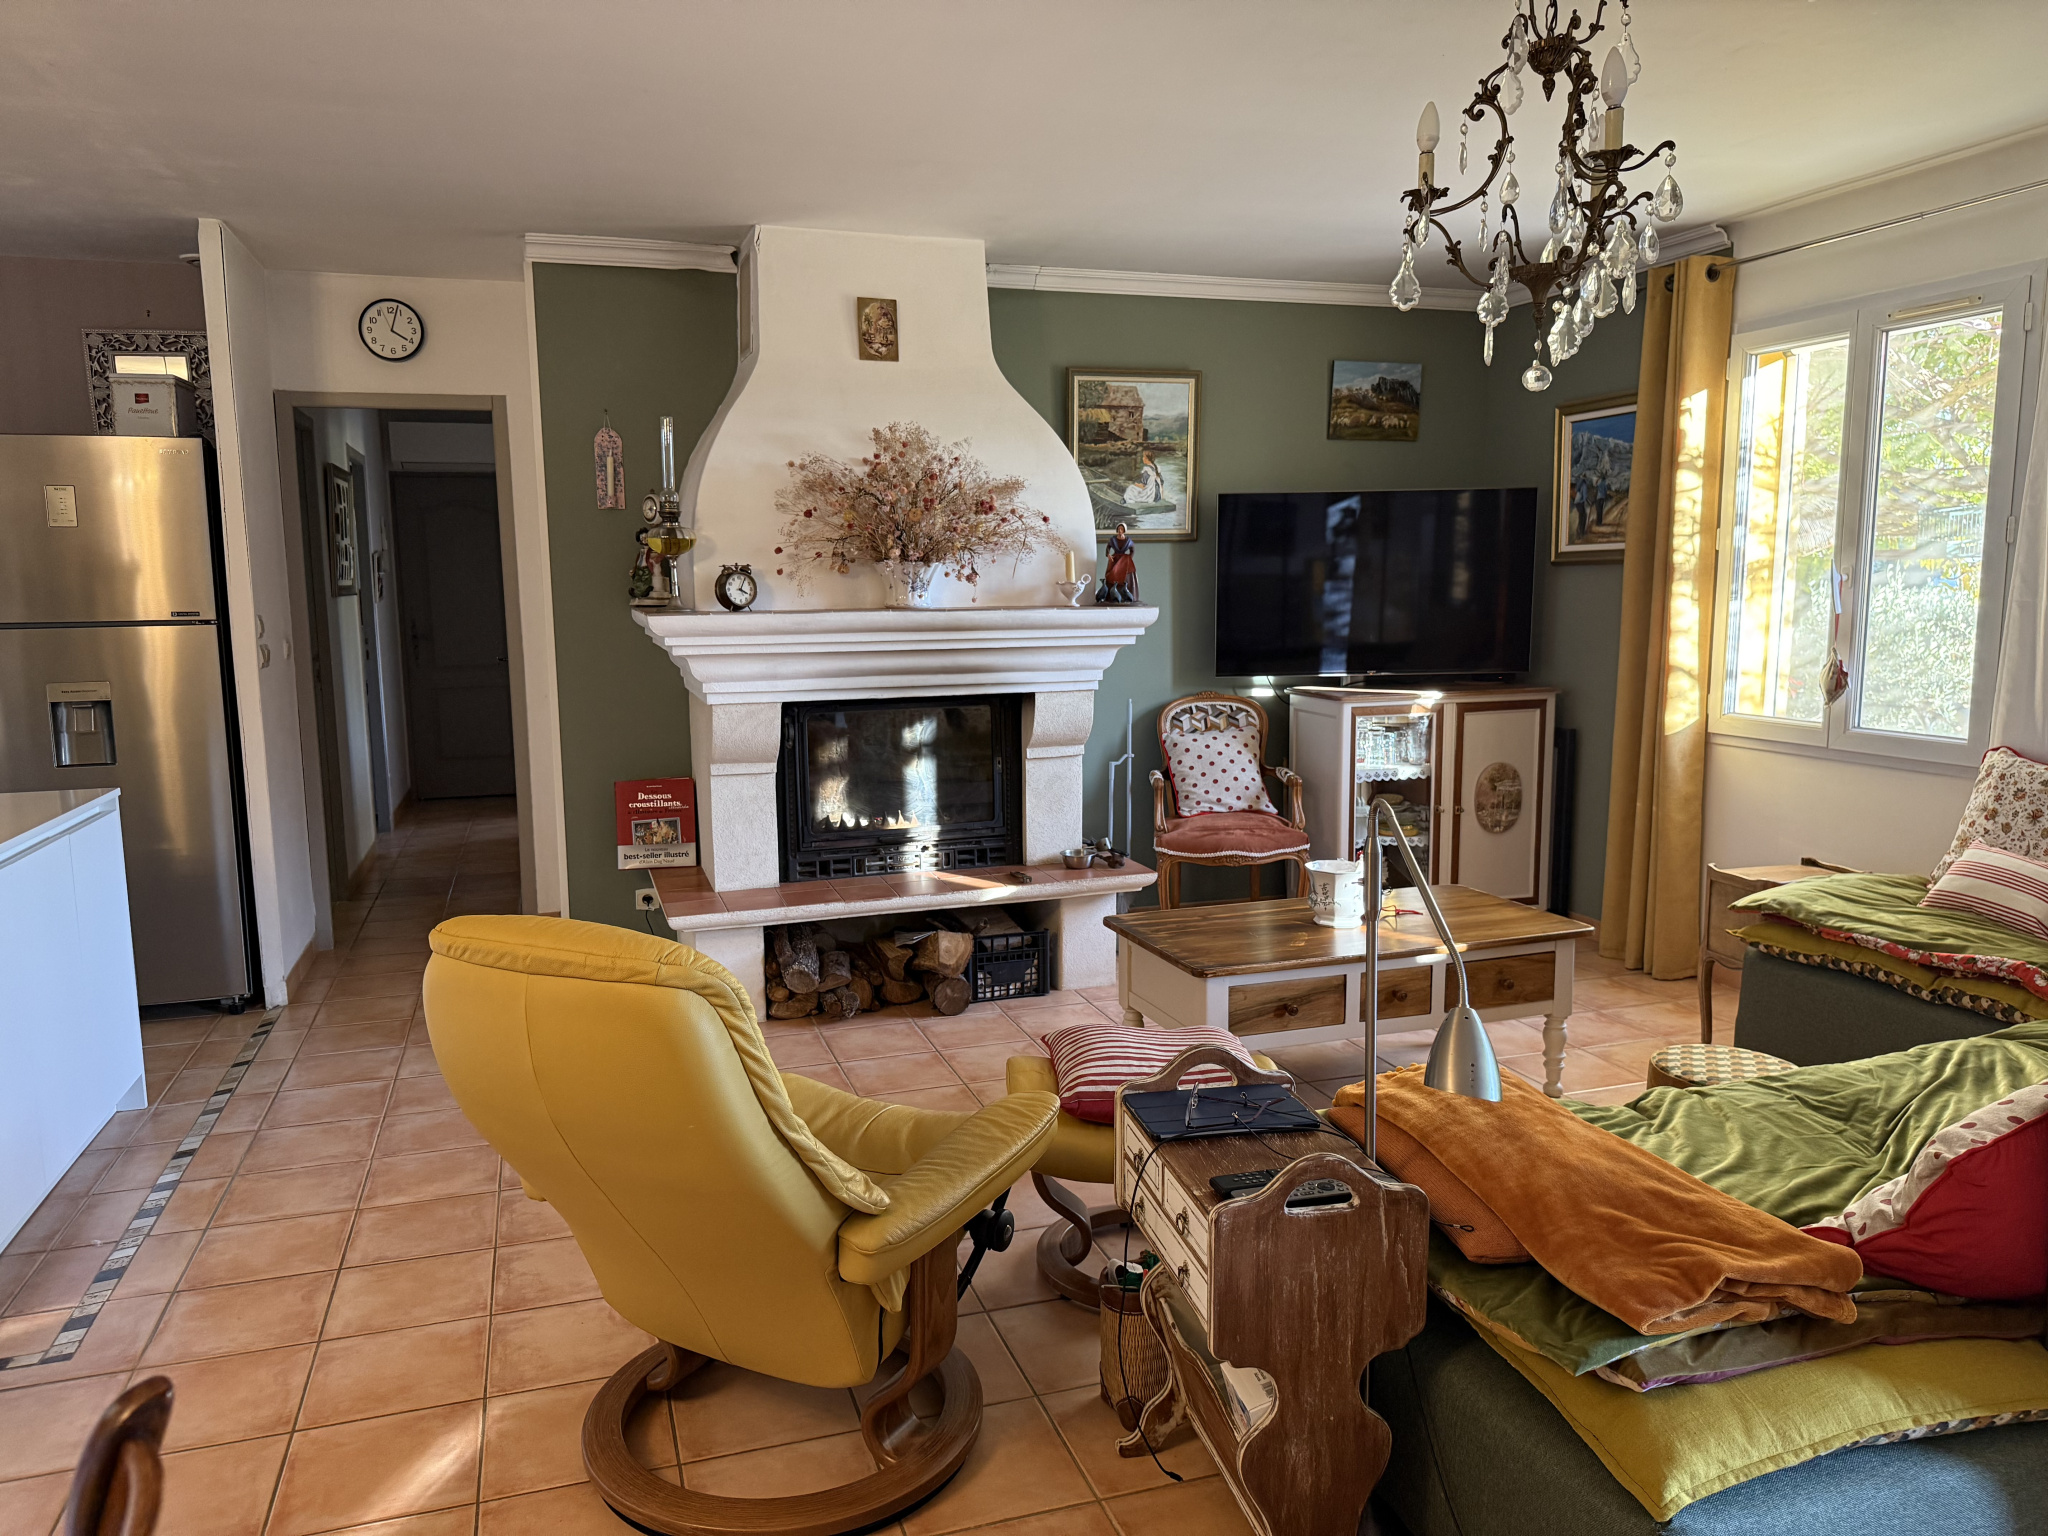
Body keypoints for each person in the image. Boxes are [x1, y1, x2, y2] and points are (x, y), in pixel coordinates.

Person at [1097, 522, 1139, 604]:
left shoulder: (1128, 540)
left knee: (1126, 575)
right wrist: (1108, 555)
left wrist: (1129, 558)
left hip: (1124, 560)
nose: (1120, 531)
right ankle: (1111, 596)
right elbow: (1108, 547)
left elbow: (1132, 549)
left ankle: (1126, 595)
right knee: (1112, 574)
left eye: (1122, 529)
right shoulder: (1113, 540)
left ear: (1124, 530)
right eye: (1119, 529)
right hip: (1115, 559)